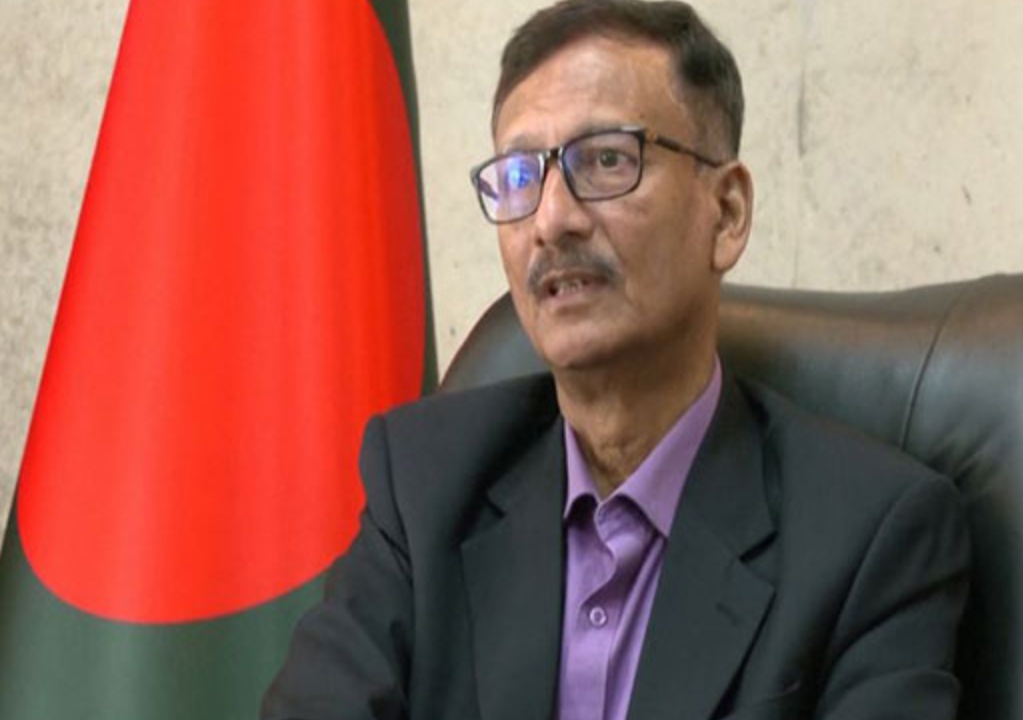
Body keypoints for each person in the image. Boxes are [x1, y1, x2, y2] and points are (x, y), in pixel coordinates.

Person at [262, 1, 970, 718]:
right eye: (520, 175)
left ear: (726, 214)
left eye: (606, 160)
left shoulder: (871, 537)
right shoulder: (424, 483)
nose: (551, 220)